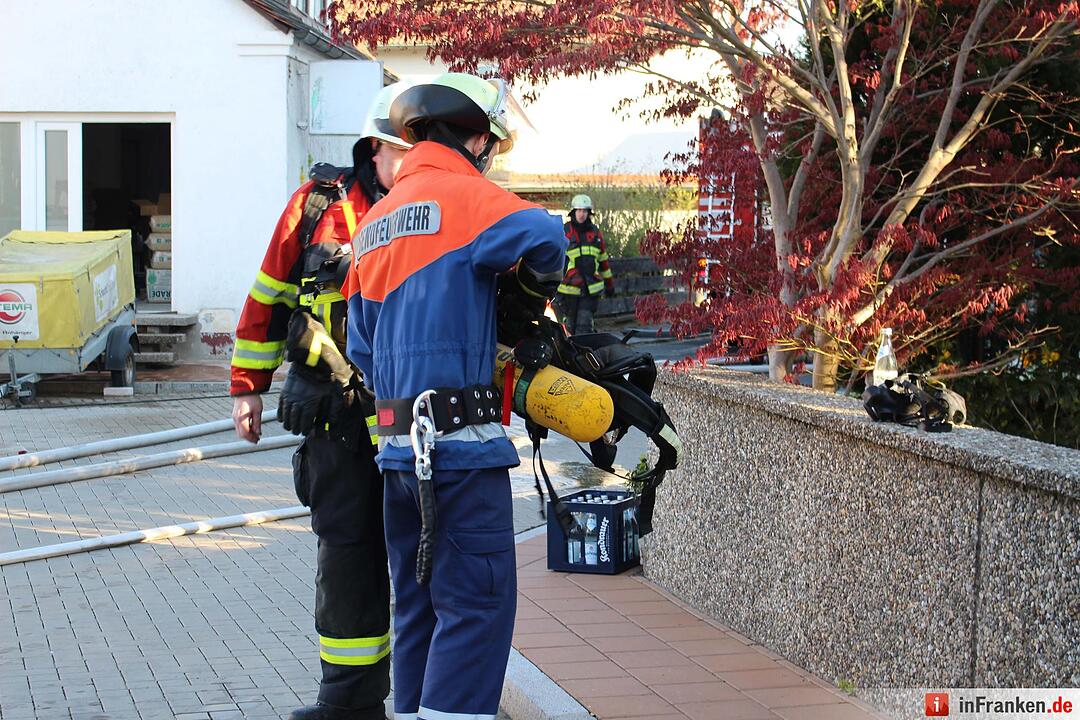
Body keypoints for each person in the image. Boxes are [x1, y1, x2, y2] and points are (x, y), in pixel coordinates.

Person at [344, 73, 567, 720]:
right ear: (475, 138)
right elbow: (546, 237)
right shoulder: (468, 197)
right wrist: (521, 301)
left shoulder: (374, 225)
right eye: (491, 144)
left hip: (396, 457)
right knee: (476, 607)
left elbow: (361, 349)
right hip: (460, 455)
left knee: (418, 608)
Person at [230, 82, 414, 720]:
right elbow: (268, 295)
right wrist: (247, 389)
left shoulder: (437, 207)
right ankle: (349, 702)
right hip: (335, 416)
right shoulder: (318, 207)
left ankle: (423, 695)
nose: (412, 161)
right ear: (374, 148)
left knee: (421, 550)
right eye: (401, 148)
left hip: (409, 413)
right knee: (347, 552)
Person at [554, 194, 615, 334]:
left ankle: (584, 355)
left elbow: (603, 260)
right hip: (567, 291)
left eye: (585, 211)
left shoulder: (595, 233)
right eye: (579, 210)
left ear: (589, 213)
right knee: (567, 329)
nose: (582, 214)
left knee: (584, 328)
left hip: (590, 290)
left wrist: (609, 284)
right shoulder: (564, 232)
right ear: (573, 212)